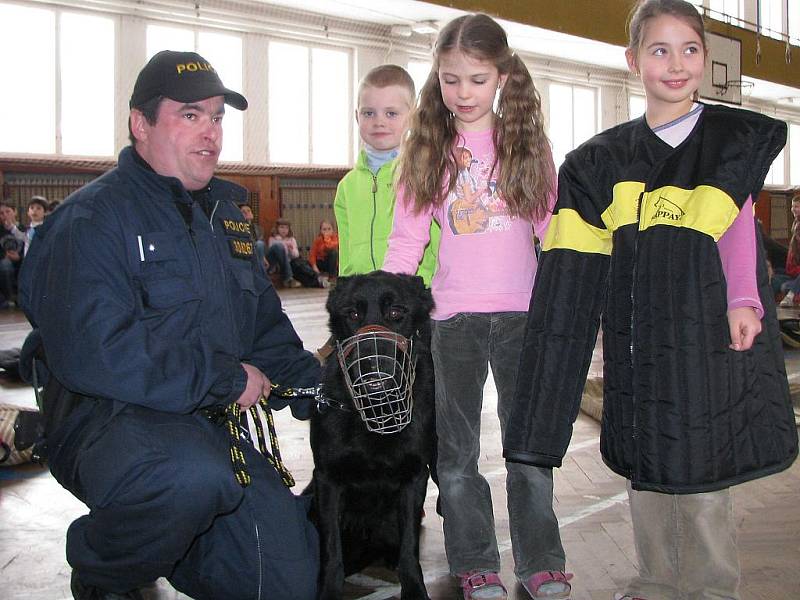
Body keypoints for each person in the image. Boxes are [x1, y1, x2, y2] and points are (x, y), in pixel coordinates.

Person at [503, 2, 798, 600]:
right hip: (636, 342)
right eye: (659, 50)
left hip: (700, 338)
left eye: (689, 49)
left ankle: (713, 586)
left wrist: (745, 299)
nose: (676, 63)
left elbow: (740, 227)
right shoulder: (601, 163)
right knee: (645, 461)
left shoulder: (724, 143)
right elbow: (577, 265)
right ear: (633, 60)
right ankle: (655, 579)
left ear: (705, 60)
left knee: (700, 458)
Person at [18, 50, 321, 600]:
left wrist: (326, 392)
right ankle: (105, 570)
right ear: (141, 124)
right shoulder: (90, 221)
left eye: (217, 117)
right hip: (111, 421)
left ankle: (177, 539)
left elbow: (265, 331)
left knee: (289, 580)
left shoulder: (227, 217)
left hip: (206, 425)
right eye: (190, 115)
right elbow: (98, 353)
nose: (210, 133)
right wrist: (224, 380)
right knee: (190, 480)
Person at [383, 14, 568, 600]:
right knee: (457, 454)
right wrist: (383, 313)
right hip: (453, 320)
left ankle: (540, 561)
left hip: (522, 317)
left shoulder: (529, 148)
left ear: (504, 77)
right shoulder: (429, 150)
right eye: (450, 80)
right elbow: (406, 241)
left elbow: (552, 231)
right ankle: (473, 560)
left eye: (476, 79)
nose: (462, 94)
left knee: (527, 449)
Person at [334, 63, 439, 286]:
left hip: (415, 293)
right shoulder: (346, 186)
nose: (379, 121)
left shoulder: (423, 173)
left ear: (412, 116)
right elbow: (345, 248)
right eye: (368, 113)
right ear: (356, 116)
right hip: (364, 297)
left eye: (391, 113)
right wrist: (344, 290)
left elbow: (441, 243)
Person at [0, 201, 25, 308]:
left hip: (21, 260)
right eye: (1, 213)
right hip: (5, 261)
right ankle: (10, 297)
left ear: (14, 212)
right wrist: (4, 255)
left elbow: (28, 245)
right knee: (5, 265)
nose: (5, 215)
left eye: (7, 211)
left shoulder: (23, 228)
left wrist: (19, 257)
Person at [267, 218, 303, 288]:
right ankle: (289, 278)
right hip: (276, 263)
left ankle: (289, 279)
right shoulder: (272, 239)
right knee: (279, 247)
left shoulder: (292, 239)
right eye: (282, 227)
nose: (284, 230)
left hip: (288, 263)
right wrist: (283, 244)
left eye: (286, 228)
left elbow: (296, 255)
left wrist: (291, 250)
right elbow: (273, 251)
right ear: (277, 228)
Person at [308, 219, 338, 285]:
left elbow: (331, 246)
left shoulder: (335, 238)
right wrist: (314, 266)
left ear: (333, 230)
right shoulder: (318, 240)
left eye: (329, 229)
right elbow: (312, 254)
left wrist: (327, 239)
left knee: (333, 253)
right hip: (321, 263)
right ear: (321, 230)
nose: (327, 231)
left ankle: (332, 278)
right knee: (307, 264)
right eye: (324, 229)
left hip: (332, 264)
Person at [238, 201, 267, 270]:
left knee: (278, 246)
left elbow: (263, 246)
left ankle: (288, 278)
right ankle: (261, 274)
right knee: (259, 244)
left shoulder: (259, 229)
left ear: (252, 214)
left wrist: (264, 257)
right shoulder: (237, 228)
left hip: (261, 256)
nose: (246, 213)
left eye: (248, 211)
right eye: (243, 212)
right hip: (248, 256)